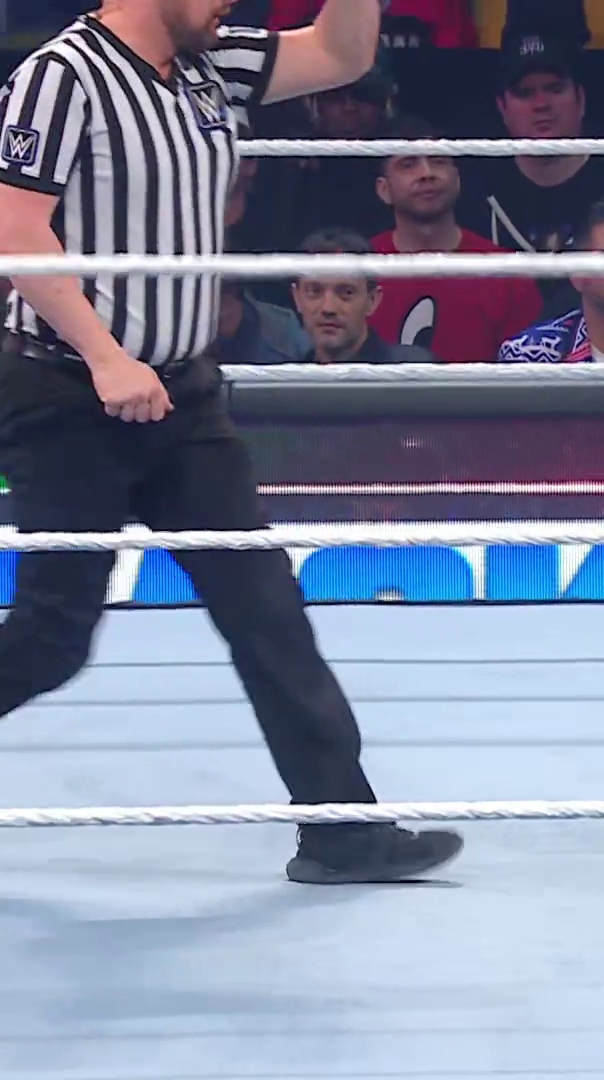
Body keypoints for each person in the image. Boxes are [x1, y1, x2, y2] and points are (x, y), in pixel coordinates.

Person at [0, 0, 464, 884]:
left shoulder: (215, 64)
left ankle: (340, 831)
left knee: (265, 607)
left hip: (184, 395)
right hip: (66, 391)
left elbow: (341, 53)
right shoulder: (59, 77)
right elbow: (15, 230)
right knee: (53, 634)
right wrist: (105, 357)